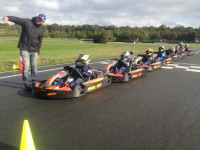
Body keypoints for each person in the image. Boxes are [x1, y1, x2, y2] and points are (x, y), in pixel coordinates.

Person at [2, 14, 46, 91]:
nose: (40, 21)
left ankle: (34, 81)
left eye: (42, 20)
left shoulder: (41, 30)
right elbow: (18, 19)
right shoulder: (27, 22)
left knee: (34, 66)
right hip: (24, 48)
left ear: (43, 22)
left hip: (34, 50)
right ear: (37, 17)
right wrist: (8, 18)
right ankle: (26, 83)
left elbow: (39, 42)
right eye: (39, 18)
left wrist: (38, 53)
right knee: (26, 66)